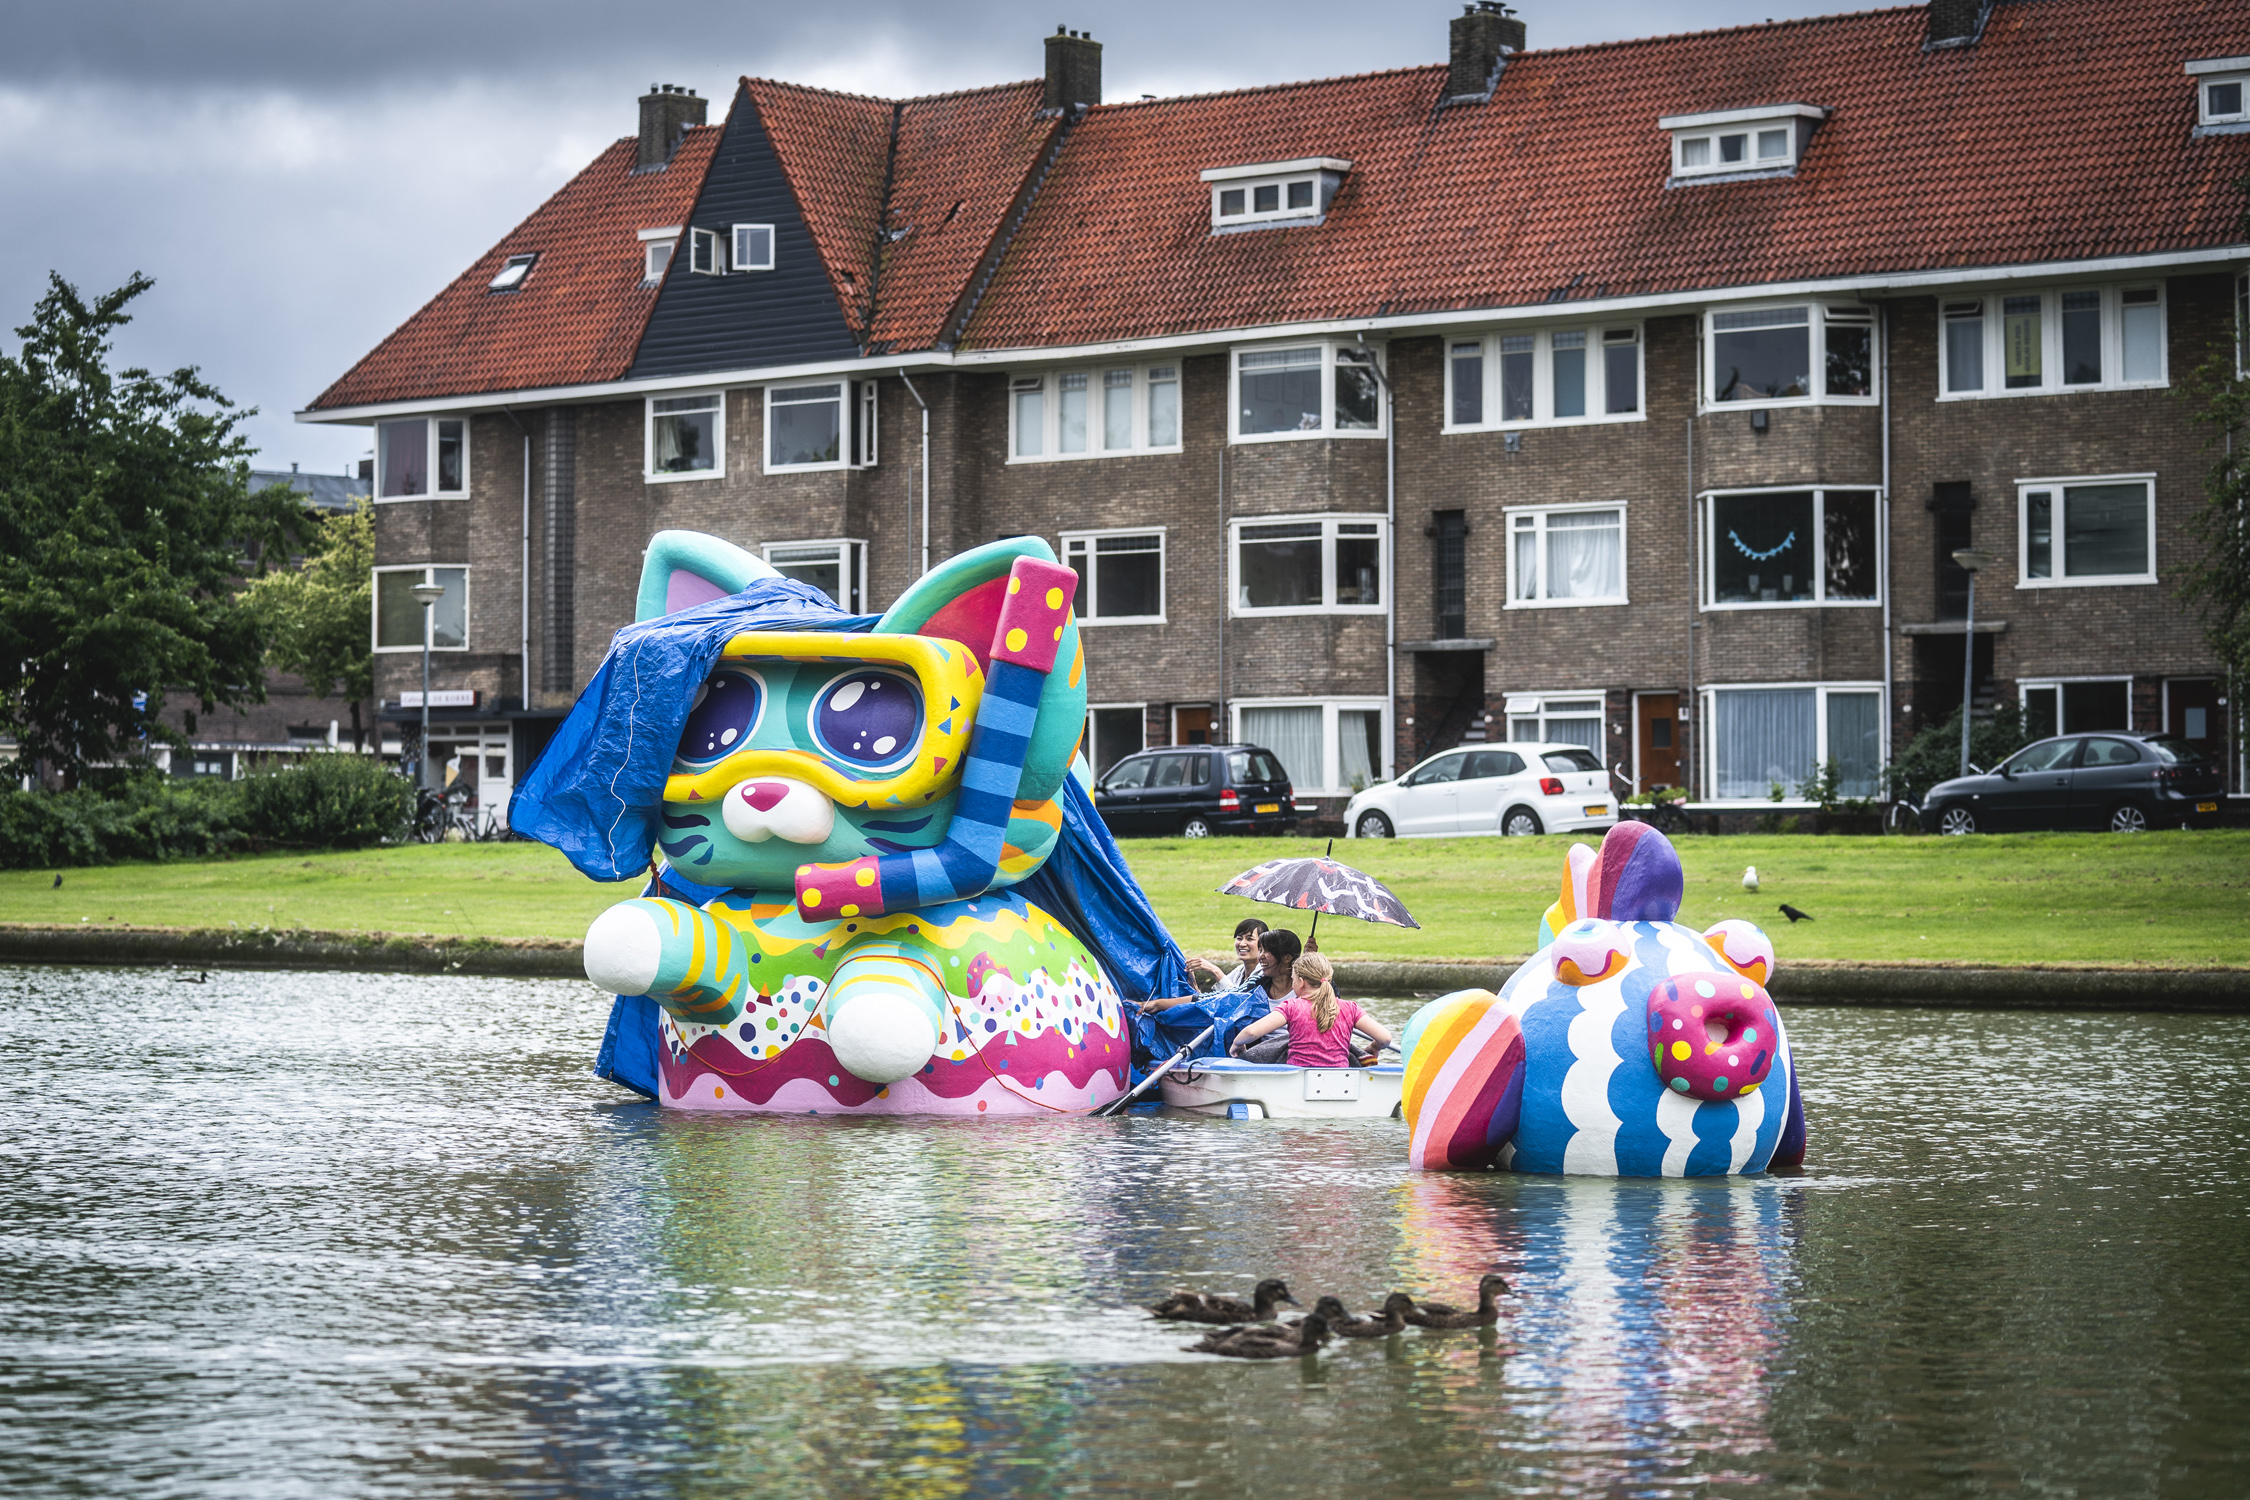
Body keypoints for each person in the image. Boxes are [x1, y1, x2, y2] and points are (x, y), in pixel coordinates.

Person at [1228, 952, 1393, 1068]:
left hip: (1296, 1078)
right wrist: (1374, 1048)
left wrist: (1237, 1045)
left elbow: (1251, 1033)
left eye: (1292, 979)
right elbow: (1385, 1038)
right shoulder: (1350, 1008)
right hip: (1341, 1080)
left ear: (1300, 982)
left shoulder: (1292, 1006)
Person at [1186, 917, 1269, 994]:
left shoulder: (1265, 973)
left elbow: (1239, 1002)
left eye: (1249, 939)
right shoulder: (1239, 972)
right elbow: (1215, 1001)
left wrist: (1215, 971)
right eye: (1239, 938)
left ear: (1263, 944)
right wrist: (1193, 984)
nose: (1242, 944)